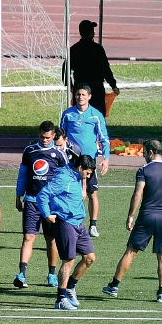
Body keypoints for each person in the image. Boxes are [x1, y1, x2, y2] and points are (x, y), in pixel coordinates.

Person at [104, 139, 162, 303]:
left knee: (131, 252)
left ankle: (114, 286)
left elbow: (138, 193)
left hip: (147, 215)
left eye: (145, 153)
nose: (144, 156)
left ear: (151, 152)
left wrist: (130, 215)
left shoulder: (144, 170)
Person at [37, 152, 97, 311]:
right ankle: (60, 299)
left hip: (79, 223)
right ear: (80, 167)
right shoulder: (63, 178)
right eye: (88, 173)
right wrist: (47, 214)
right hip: (65, 223)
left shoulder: (78, 176)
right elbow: (43, 195)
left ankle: (70, 287)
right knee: (68, 261)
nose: (88, 176)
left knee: (90, 258)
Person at [14, 121, 67, 289]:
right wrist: (18, 195)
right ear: (38, 135)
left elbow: (65, 178)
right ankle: (22, 274)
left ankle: (52, 275)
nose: (44, 140)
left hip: (51, 203)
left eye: (48, 137)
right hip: (31, 200)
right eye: (42, 137)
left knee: (51, 239)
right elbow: (23, 174)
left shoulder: (59, 153)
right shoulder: (29, 151)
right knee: (28, 237)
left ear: (53, 136)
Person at [59, 83, 110, 237]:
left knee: (92, 193)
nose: (80, 97)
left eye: (83, 95)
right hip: (72, 160)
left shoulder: (96, 115)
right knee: (70, 191)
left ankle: (93, 225)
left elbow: (104, 139)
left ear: (89, 97)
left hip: (89, 162)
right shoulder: (68, 114)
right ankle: (70, 222)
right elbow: (61, 135)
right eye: (78, 94)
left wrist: (106, 159)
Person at [66, 19, 118, 119]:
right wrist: (113, 85)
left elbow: (65, 70)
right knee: (97, 117)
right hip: (96, 89)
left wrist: (71, 86)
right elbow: (105, 69)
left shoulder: (74, 50)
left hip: (80, 88)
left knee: (79, 116)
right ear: (91, 33)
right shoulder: (97, 49)